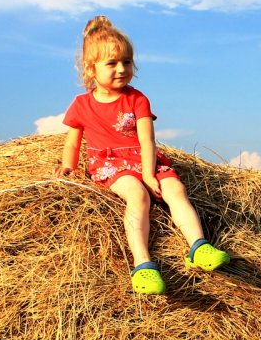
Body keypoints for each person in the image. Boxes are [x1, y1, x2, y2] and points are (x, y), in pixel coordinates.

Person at [58, 16, 229, 294]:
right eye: (111, 63)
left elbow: (147, 140)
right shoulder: (81, 104)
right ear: (91, 69)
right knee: (137, 196)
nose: (121, 69)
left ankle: (199, 246)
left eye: (127, 62)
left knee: (175, 188)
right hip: (109, 164)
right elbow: (72, 143)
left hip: (142, 158)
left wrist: (150, 173)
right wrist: (68, 166)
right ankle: (143, 263)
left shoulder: (138, 99)